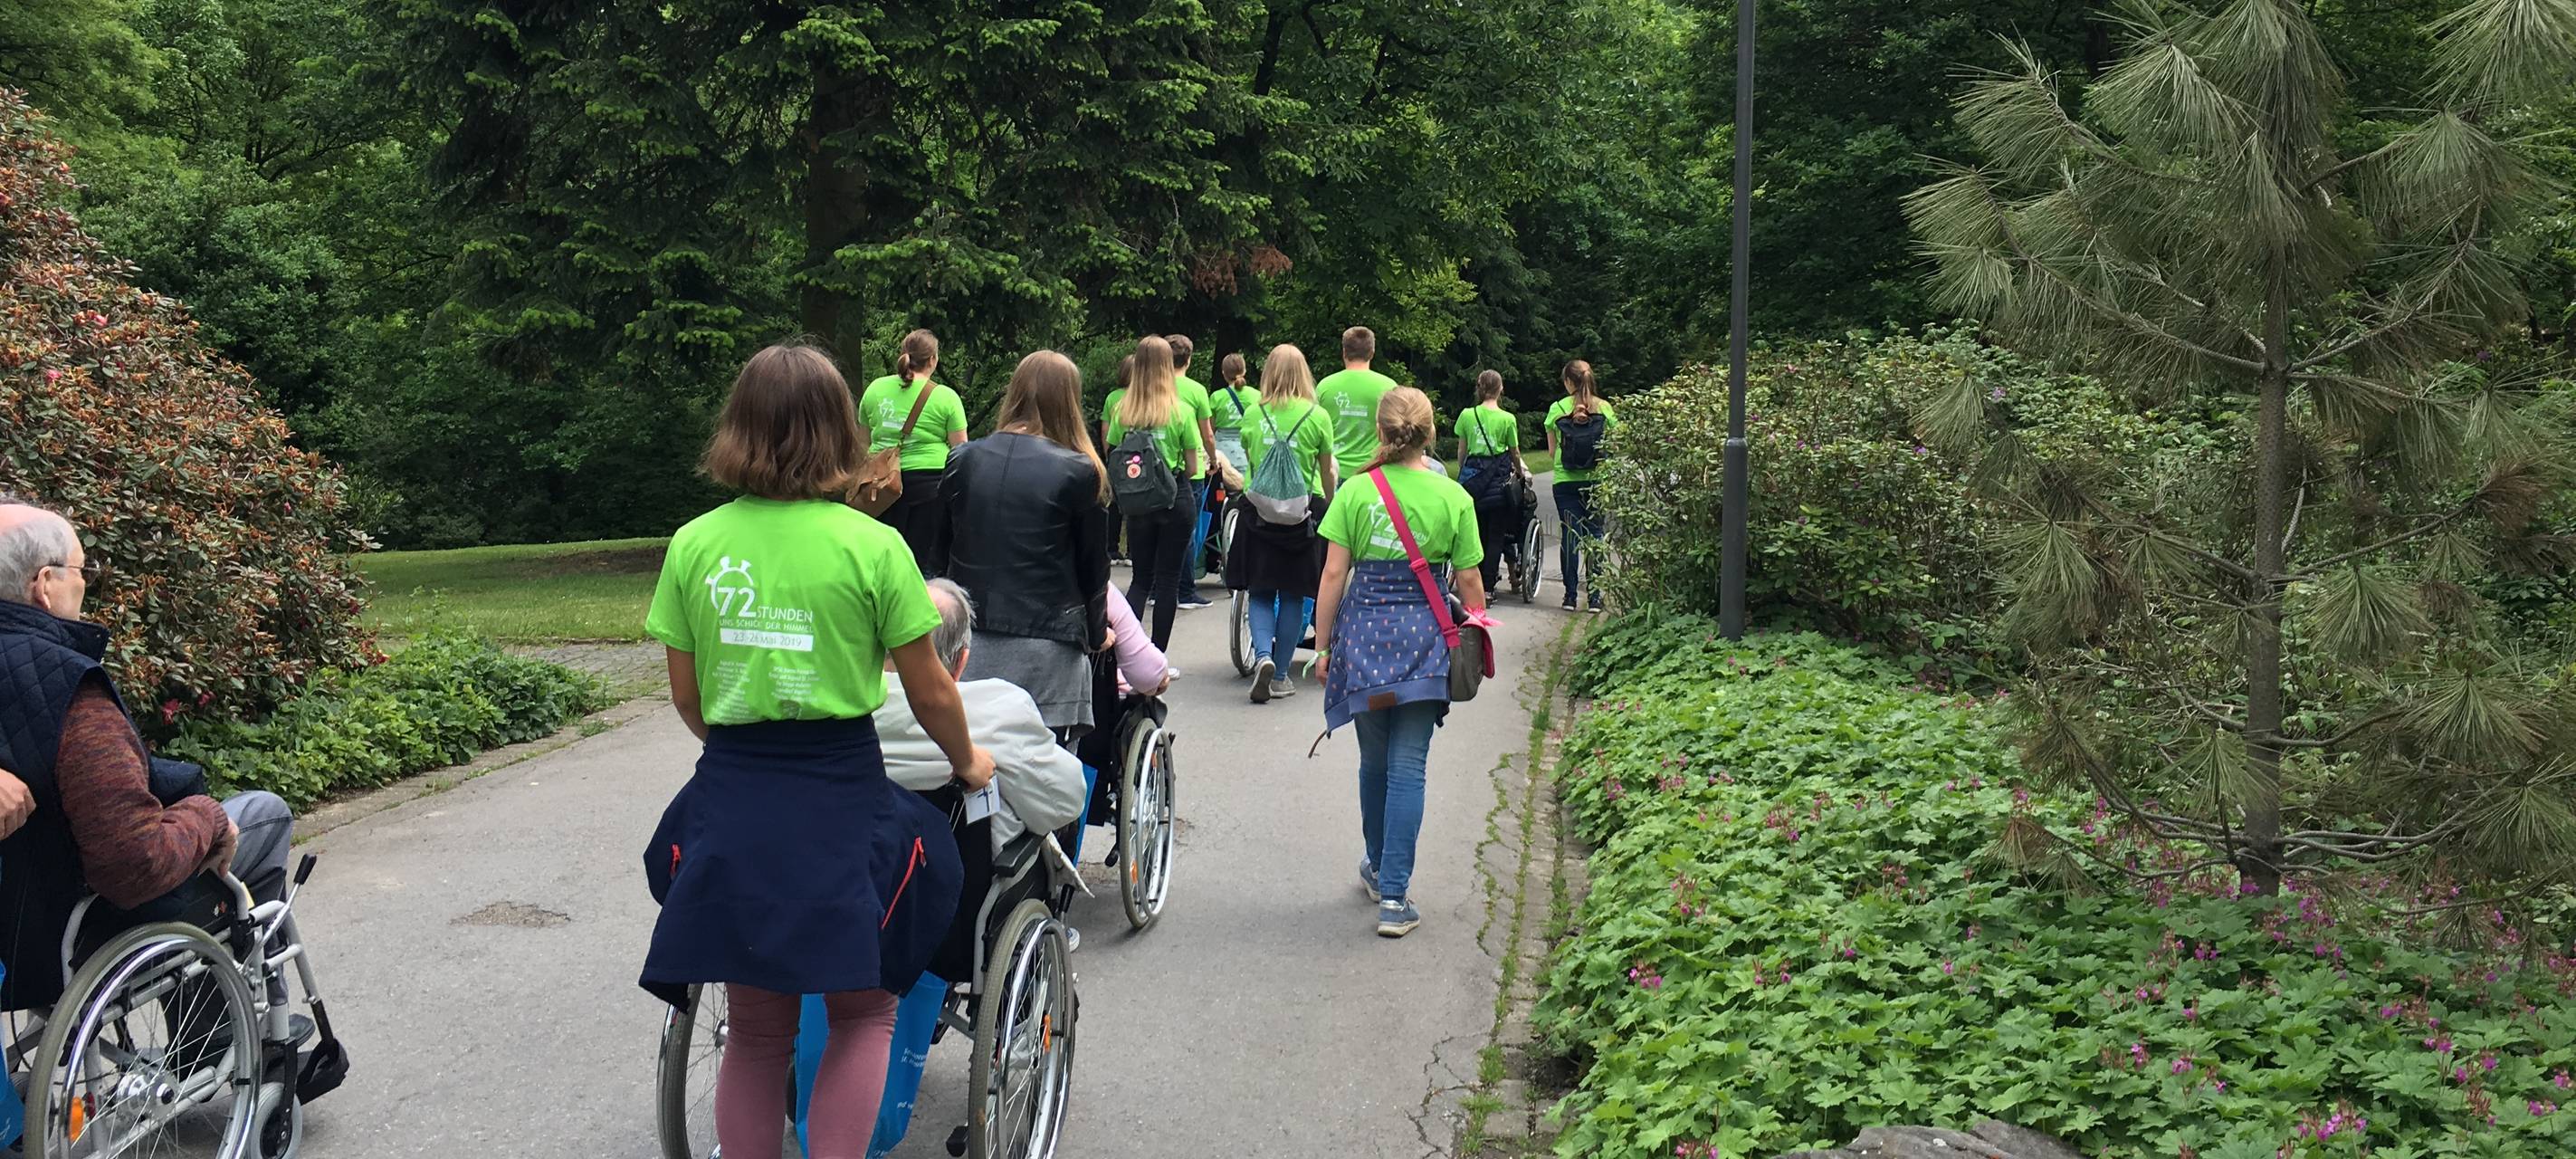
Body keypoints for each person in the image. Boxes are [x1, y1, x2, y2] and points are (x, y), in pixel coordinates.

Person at [640, 341, 996, 1159]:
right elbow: (931, 687)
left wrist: (746, 744)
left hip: (733, 790)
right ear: (841, 430)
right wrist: (968, 761)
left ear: (739, 428)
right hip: (841, 790)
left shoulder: (694, 545)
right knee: (864, 1010)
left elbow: (688, 700)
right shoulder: (873, 548)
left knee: (757, 1031)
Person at [0, 496, 300, 1011]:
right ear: (45, 585)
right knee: (262, 815)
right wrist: (206, 818)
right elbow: (132, 864)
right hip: (61, 934)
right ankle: (235, 1037)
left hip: (16, 920)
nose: (85, 583)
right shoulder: (65, 685)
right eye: (79, 570)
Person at [1312, 387, 1487, 939]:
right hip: (1424, 639)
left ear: (1380, 433)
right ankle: (1395, 896)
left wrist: (1321, 646)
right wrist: (1477, 633)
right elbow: (1470, 579)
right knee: (1409, 765)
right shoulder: (1452, 496)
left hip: (1363, 637)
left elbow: (1334, 575)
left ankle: (1375, 863)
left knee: (1373, 762)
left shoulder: (1356, 492)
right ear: (1430, 434)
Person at [943, 350, 1113, 735]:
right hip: (1047, 644)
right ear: (1070, 401)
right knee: (1047, 775)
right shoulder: (1080, 470)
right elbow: (1093, 568)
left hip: (968, 641)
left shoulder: (962, 460)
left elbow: (938, 555)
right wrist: (1098, 633)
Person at [1226, 343, 1337, 704]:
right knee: (1293, 593)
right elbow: (1326, 472)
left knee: (1259, 590)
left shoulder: (1254, 414)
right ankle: (1282, 676)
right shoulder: (1317, 417)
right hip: (1303, 515)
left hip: (1258, 512)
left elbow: (1252, 463)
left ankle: (1263, 656)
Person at [1105, 336, 1205, 651]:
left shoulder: (1124, 410)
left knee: (1140, 579)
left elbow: (1112, 451)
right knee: (1168, 581)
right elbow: (1191, 465)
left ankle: (1128, 653)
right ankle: (1157, 655)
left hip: (1138, 504)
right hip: (1175, 498)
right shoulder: (1180, 411)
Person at [859, 329, 970, 575]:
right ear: (933, 360)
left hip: (881, 486)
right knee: (923, 563)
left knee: (882, 559)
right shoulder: (946, 397)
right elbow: (961, 453)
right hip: (930, 487)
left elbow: (862, 443)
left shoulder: (875, 389)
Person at [1544, 359, 1617, 613]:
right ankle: (1595, 598)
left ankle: (1570, 596)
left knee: (1570, 536)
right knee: (1596, 535)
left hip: (1565, 482)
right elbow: (1615, 444)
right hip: (1596, 481)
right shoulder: (1604, 408)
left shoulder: (1557, 408)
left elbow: (1553, 451)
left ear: (1568, 382)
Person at [1454, 369, 1527, 592]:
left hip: (1474, 481)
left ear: (1479, 388)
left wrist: (1465, 471)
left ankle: (1471, 582)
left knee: (1476, 533)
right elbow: (1514, 451)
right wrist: (1519, 473)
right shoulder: (1507, 419)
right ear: (1501, 389)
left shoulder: (1467, 415)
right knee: (1496, 536)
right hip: (1498, 482)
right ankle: (1487, 586)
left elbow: (1462, 452)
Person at [1168, 335, 1220, 610]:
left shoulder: (1153, 387)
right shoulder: (1196, 390)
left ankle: (1157, 587)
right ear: (1189, 359)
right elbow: (1207, 433)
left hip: (1157, 469)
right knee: (1188, 530)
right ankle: (1185, 590)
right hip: (1191, 469)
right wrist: (1213, 460)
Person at [1315, 326, 1399, 484]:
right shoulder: (1388, 387)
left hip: (1332, 471)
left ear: (1344, 352)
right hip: (1374, 471)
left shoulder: (1324, 386)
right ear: (1372, 353)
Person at [1101, 353, 1136, 566]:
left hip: (1117, 450)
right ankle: (1133, 551)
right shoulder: (1142, 396)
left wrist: (1108, 453)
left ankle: (1111, 549)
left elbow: (1106, 428)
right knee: (1135, 499)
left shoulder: (1112, 397)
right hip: (1137, 451)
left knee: (1113, 502)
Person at [1208, 351, 1259, 483]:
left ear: (1223, 373)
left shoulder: (1216, 397)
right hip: (1248, 449)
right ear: (1245, 371)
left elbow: (1211, 430)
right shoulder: (1257, 396)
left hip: (1222, 452)